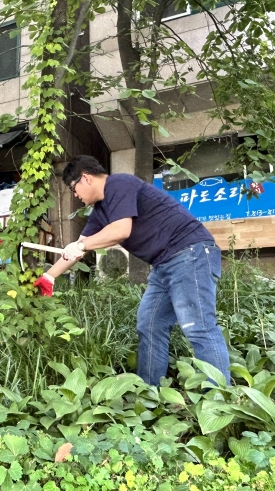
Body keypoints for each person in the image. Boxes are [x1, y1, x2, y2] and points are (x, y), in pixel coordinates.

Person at [33, 155, 230, 386]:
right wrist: (48, 277)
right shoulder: (100, 211)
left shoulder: (119, 184)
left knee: (198, 327)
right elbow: (78, 249)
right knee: (149, 324)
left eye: (74, 189)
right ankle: (149, 393)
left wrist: (81, 245)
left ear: (85, 178)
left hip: (190, 253)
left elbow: (120, 230)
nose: (76, 196)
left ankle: (220, 401)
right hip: (163, 264)